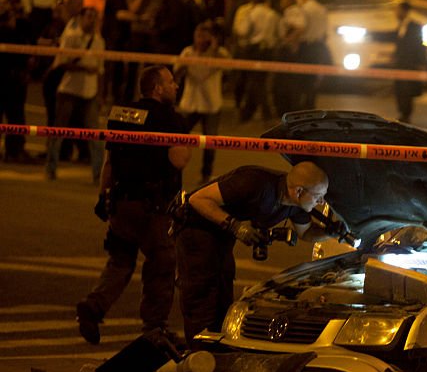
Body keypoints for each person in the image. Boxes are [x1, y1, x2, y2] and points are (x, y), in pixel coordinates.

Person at [75, 66, 191, 345]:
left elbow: (109, 162)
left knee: (120, 261)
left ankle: (94, 306)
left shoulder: (121, 114)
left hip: (122, 203)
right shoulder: (169, 118)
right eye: (171, 82)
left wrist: (103, 196)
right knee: (162, 265)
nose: (176, 87)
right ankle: (155, 327)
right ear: (158, 88)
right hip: (153, 209)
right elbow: (179, 160)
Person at [175, 161, 336, 342]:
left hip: (221, 235)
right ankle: (198, 354)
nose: (321, 201)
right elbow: (197, 199)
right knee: (202, 293)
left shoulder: (294, 204)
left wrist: (329, 232)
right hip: (197, 228)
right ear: (299, 191)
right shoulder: (253, 182)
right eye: (318, 196)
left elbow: (306, 233)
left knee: (223, 291)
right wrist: (235, 226)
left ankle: (215, 350)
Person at [45, 6, 105, 182]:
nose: (92, 20)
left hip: (90, 92)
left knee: (96, 135)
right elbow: (62, 62)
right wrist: (83, 68)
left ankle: (97, 174)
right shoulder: (71, 37)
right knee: (59, 130)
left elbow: (101, 70)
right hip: (69, 89)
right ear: (81, 18)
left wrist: (100, 94)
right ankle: (51, 167)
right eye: (89, 16)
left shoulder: (99, 41)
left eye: (95, 17)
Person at [176, 22, 231, 183]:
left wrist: (214, 50)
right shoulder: (187, 52)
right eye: (198, 35)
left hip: (211, 104)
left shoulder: (219, 53)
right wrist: (186, 64)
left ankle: (206, 174)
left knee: (210, 141)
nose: (201, 39)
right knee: (179, 137)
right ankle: (175, 169)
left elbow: (230, 68)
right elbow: (177, 73)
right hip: (191, 102)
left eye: (204, 36)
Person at [0, 0, 33, 162]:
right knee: (15, 118)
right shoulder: (13, 35)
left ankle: (14, 150)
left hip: (10, 81)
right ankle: (14, 150)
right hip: (12, 83)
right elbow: (26, 56)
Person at [392, 0, 427, 123]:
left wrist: (421, 63)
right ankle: (402, 113)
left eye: (397, 10)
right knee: (399, 90)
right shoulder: (400, 26)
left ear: (404, 11)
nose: (395, 13)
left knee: (407, 91)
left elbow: (419, 46)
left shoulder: (415, 27)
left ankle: (406, 115)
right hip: (400, 65)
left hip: (409, 65)